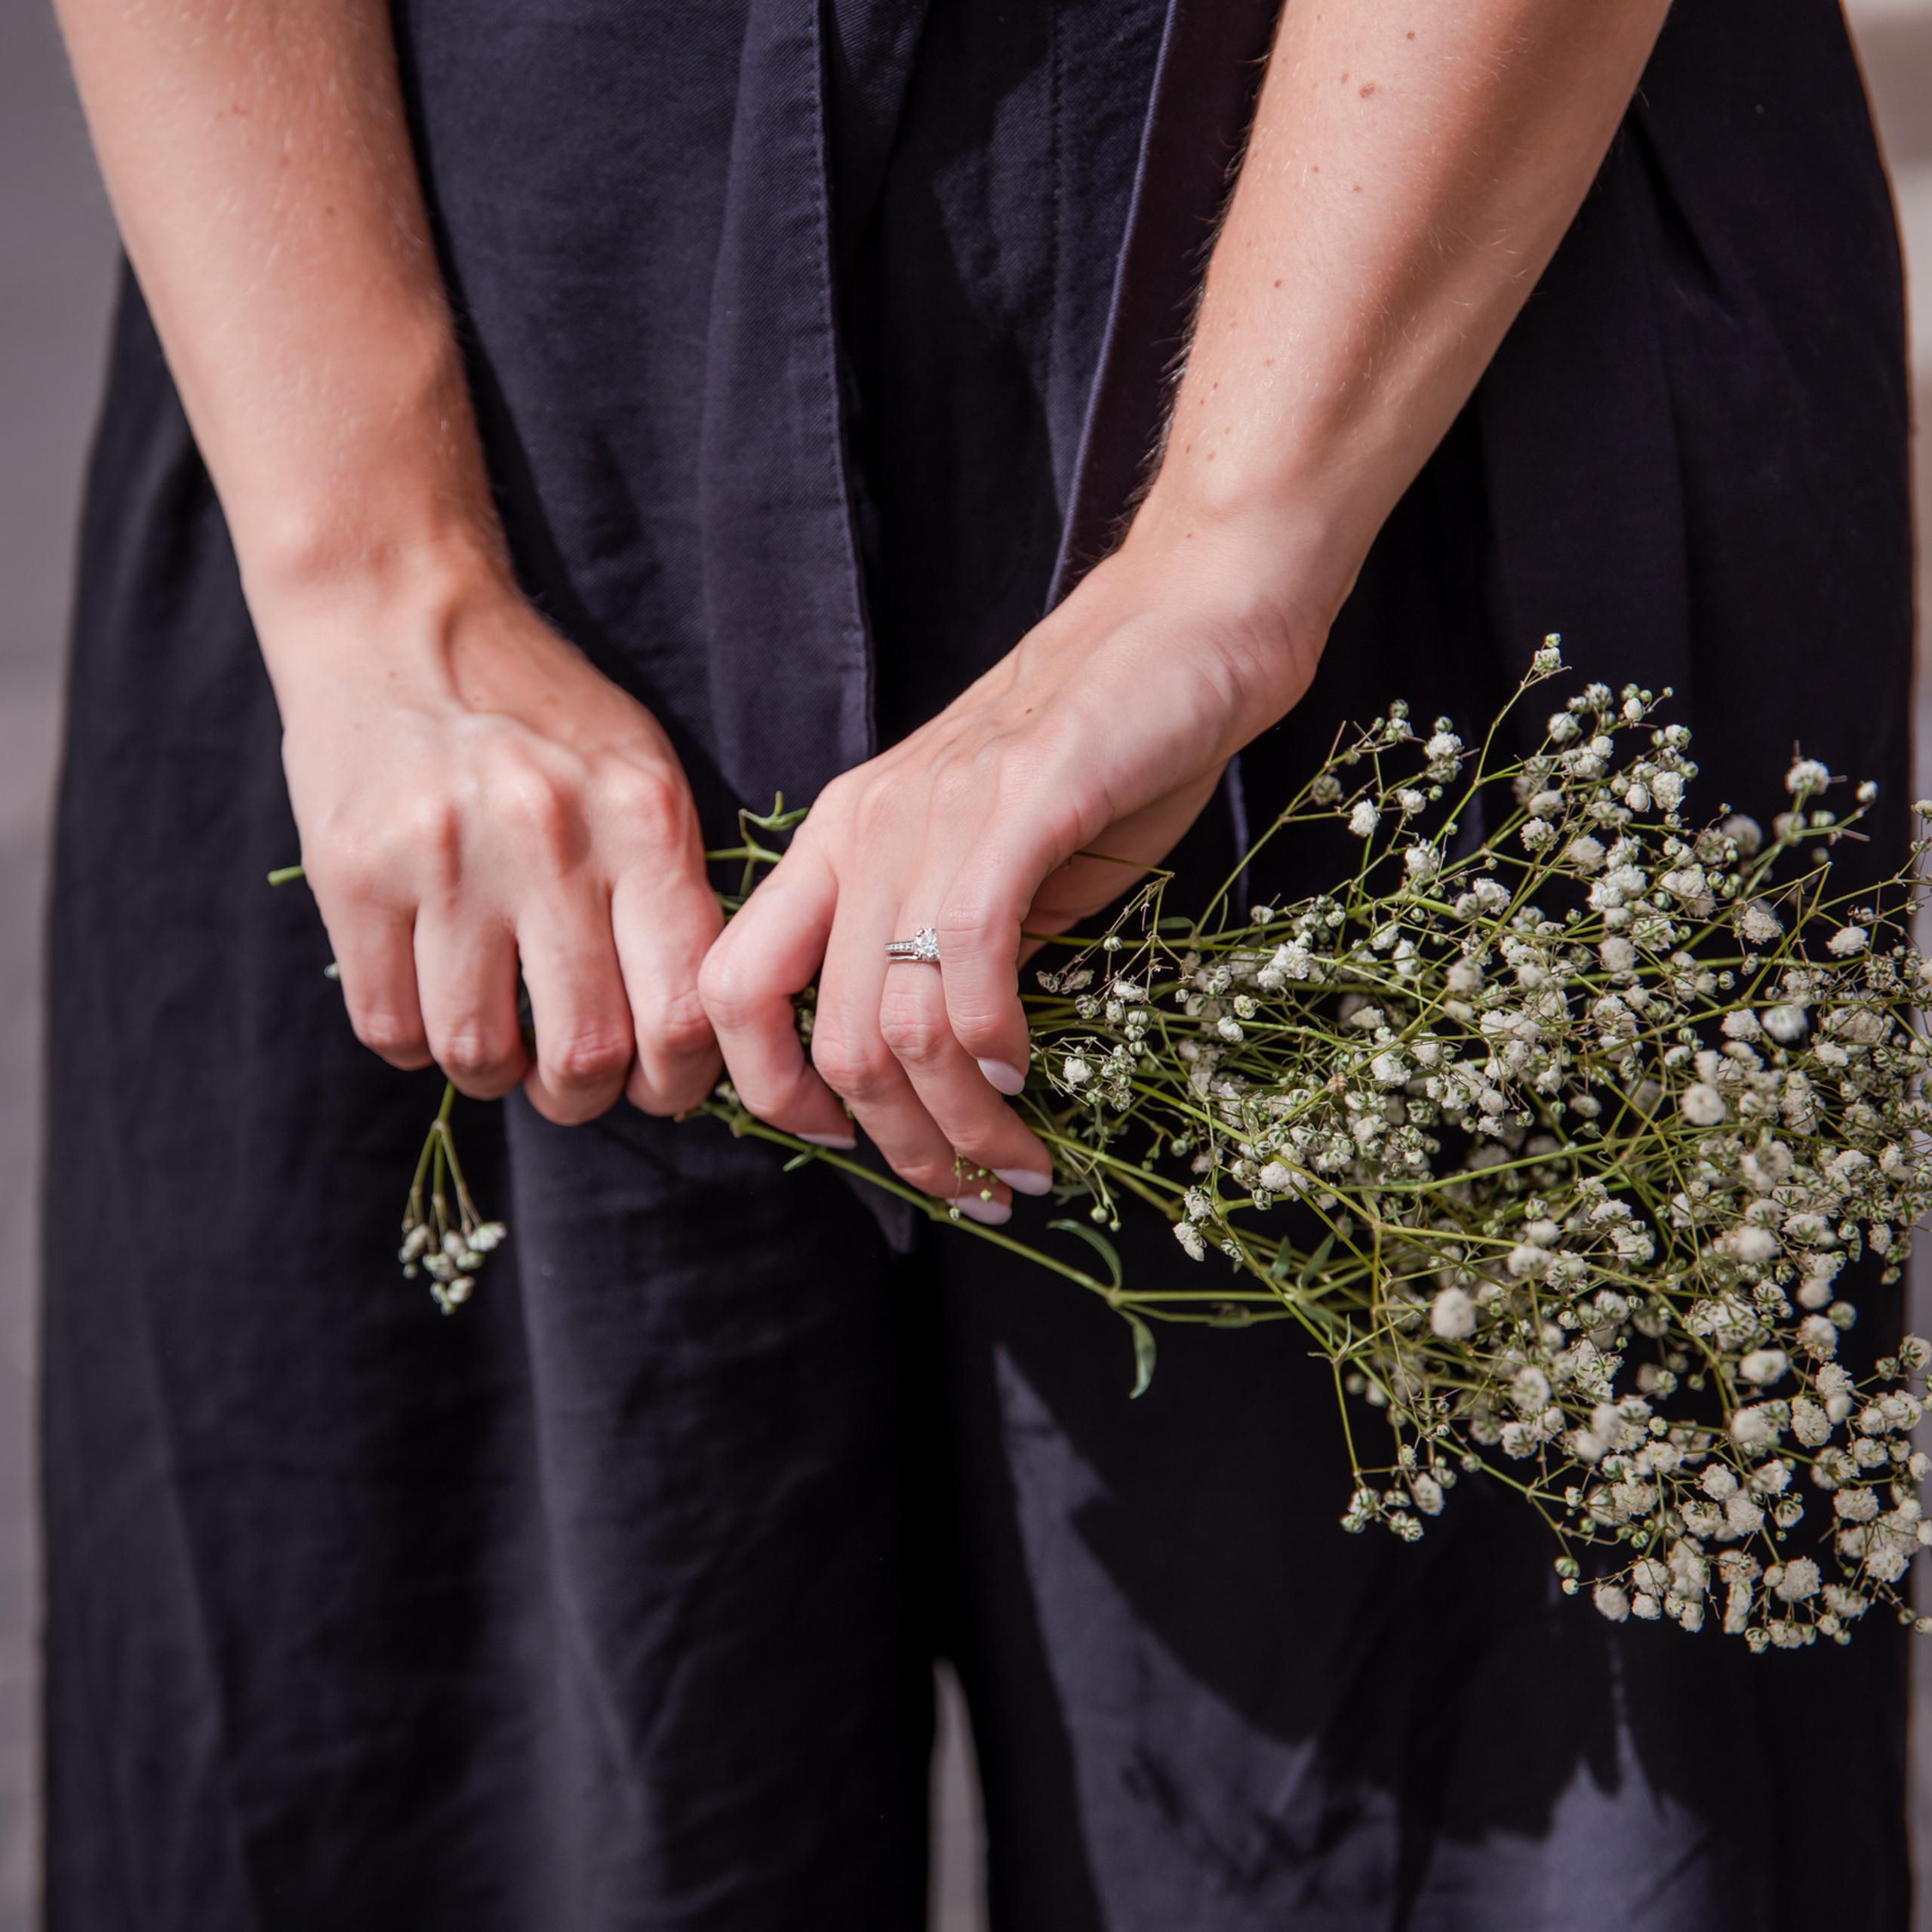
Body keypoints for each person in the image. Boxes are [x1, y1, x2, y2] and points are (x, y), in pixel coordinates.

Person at [44, 0, 1911, 1924]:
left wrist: (1225, 560)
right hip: (401, 337)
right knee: (460, 1807)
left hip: (1419, 260)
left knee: (1476, 1800)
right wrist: (371, 571)